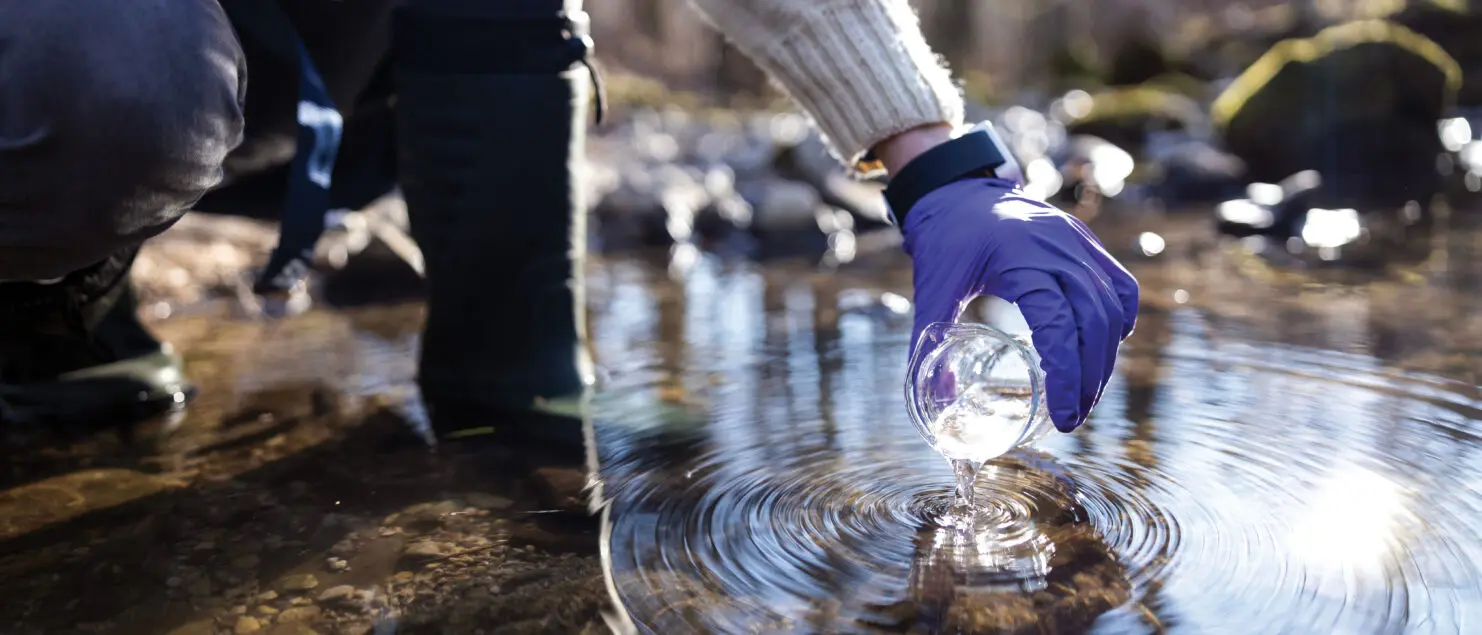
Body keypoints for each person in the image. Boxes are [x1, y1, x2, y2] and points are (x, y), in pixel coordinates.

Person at [0, 0, 1137, 447]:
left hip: (283, 85)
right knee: (102, 75)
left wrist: (935, 160)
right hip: (83, 56)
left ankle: (517, 385)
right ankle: (37, 292)